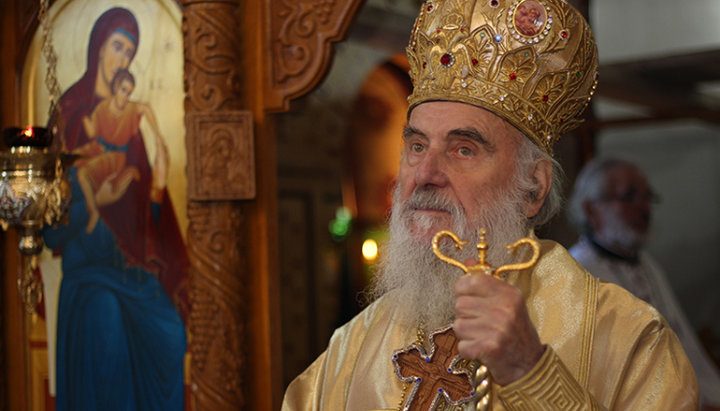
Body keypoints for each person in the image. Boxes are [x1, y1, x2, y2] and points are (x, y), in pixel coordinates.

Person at [283, 0, 698, 409]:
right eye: (417, 145)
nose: (424, 173)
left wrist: (531, 374)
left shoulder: (631, 340)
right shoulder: (350, 348)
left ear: (533, 188)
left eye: (464, 149)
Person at [43, 7, 188, 410]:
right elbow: (50, 231)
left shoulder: (131, 127)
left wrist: (157, 189)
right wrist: (96, 205)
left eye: (130, 52)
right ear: (98, 47)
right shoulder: (71, 113)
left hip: (130, 269)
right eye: (117, 47)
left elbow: (147, 221)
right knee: (107, 324)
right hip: (89, 274)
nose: (122, 59)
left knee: (172, 333)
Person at [568, 157, 720, 409]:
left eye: (648, 197)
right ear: (591, 210)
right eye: (629, 197)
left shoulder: (646, 264)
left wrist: (708, 396)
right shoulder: (578, 272)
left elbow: (682, 340)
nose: (645, 208)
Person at [75, 68, 167, 234]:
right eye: (123, 90)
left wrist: (157, 135)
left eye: (129, 93)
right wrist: (83, 116)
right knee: (71, 163)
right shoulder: (102, 108)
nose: (125, 96)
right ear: (116, 87)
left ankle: (93, 213)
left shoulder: (130, 109)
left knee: (83, 174)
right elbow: (92, 132)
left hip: (115, 156)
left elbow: (146, 108)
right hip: (97, 149)